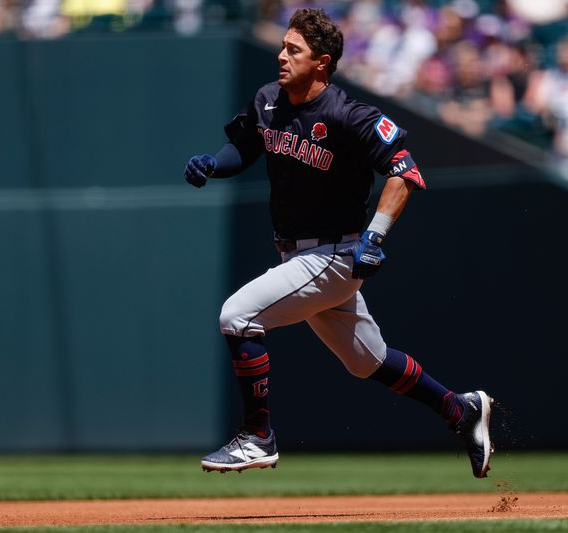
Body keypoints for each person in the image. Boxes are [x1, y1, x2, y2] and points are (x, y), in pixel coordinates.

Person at [184, 8, 494, 479]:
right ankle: (459, 409)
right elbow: (246, 146)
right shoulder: (269, 98)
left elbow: (405, 173)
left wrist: (374, 236)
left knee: (237, 316)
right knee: (367, 362)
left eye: (294, 50)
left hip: (334, 255)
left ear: (322, 62)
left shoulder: (348, 115)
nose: (282, 55)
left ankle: (257, 436)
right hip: (297, 253)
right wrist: (214, 163)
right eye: (283, 45)